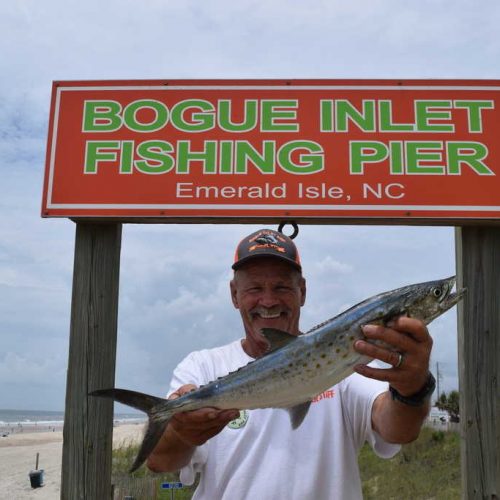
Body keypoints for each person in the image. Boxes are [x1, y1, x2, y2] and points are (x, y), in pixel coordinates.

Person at [147, 228, 435, 499]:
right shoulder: (202, 367)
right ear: (235, 295)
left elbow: (398, 429)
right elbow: (161, 461)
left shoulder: (349, 363)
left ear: (303, 292)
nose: (269, 301)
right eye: (255, 288)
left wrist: (413, 388)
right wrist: (179, 430)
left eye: (282, 287)